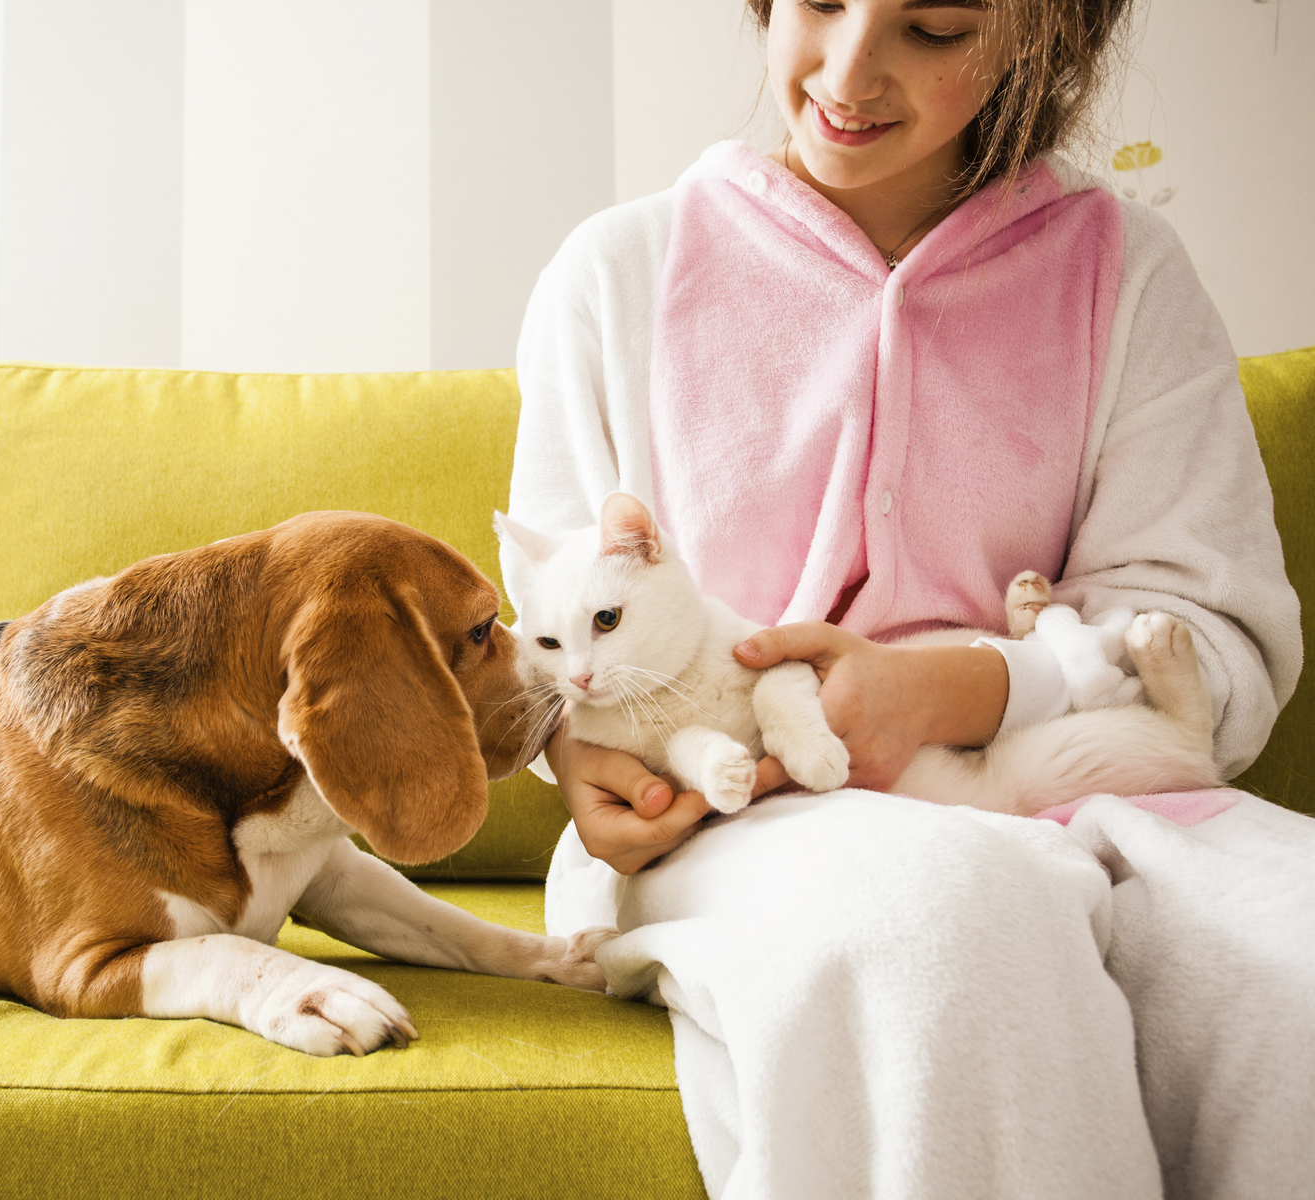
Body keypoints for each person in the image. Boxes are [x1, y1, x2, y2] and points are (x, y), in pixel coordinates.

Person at [505, 0, 1312, 1196]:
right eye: (821, 4)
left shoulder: (1128, 276)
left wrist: (968, 687)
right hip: (738, 823)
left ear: (1050, 39)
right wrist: (578, 755)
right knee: (953, 931)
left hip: (1079, 774)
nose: (847, 69)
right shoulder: (618, 276)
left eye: (933, 27)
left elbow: (1219, 641)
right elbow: (549, 647)